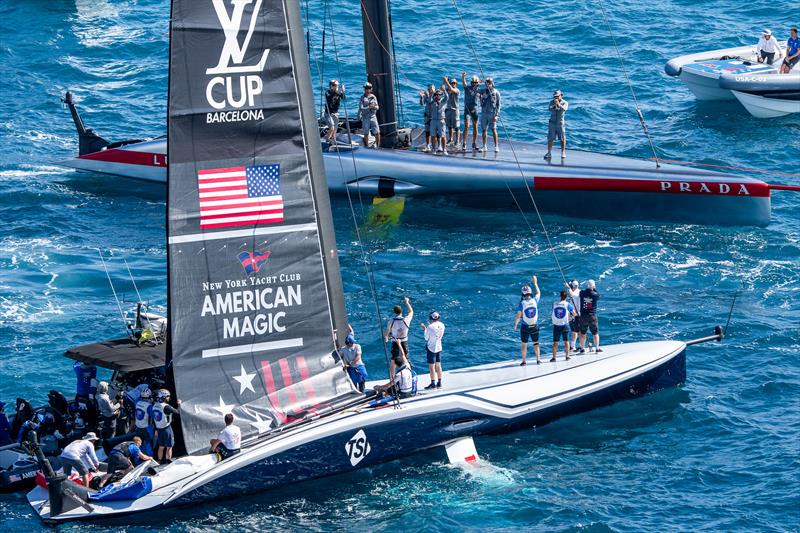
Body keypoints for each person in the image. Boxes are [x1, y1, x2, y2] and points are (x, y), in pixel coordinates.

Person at [513, 276, 541, 365]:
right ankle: (538, 360)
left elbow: (518, 316)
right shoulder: (535, 300)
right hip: (535, 326)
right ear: (530, 292)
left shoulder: (522, 303)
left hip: (525, 327)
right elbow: (538, 293)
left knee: (524, 344)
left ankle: (524, 361)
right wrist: (535, 283)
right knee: (536, 343)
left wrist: (515, 325)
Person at [152, 389, 181, 463]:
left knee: (161, 446)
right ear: (164, 397)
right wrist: (179, 404)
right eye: (168, 396)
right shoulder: (166, 407)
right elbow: (177, 412)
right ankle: (168, 461)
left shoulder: (155, 405)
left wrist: (156, 429)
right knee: (169, 446)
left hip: (159, 429)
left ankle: (159, 461)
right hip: (166, 429)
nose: (169, 398)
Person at [384, 296, 414, 365]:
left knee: (393, 360)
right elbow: (411, 311)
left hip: (395, 341)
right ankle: (409, 373)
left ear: (394, 312)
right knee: (406, 358)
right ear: (401, 312)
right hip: (404, 341)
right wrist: (407, 302)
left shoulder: (391, 321)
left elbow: (387, 333)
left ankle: (392, 375)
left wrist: (386, 339)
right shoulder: (406, 320)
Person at [421, 311, 446, 389]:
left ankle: (433, 383)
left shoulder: (430, 327)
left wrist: (425, 328)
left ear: (431, 318)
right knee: (438, 364)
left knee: (432, 366)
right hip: (439, 346)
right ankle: (439, 383)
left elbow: (426, 338)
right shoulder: (442, 325)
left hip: (431, 348)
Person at [551, 290, 577, 362]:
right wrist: (571, 317)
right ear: (566, 297)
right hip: (565, 325)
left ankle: (554, 357)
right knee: (566, 341)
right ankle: (567, 356)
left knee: (555, 342)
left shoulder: (554, 304)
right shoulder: (567, 304)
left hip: (556, 325)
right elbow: (574, 313)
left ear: (560, 296)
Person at [545, 90, 569, 161]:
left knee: (562, 138)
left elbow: (564, 109)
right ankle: (549, 152)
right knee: (550, 138)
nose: (556, 98)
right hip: (552, 123)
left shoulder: (565, 102)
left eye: (557, 96)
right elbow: (549, 109)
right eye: (555, 96)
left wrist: (559, 104)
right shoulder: (551, 102)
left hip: (560, 123)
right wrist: (554, 105)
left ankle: (563, 152)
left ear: (561, 95)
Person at [478, 77, 501, 153]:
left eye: (489, 83)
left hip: (492, 114)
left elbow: (498, 105)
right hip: (484, 113)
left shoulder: (496, 92)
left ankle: (496, 146)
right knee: (484, 130)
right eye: (487, 83)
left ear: (492, 84)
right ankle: (484, 146)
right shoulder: (483, 91)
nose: (488, 84)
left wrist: (497, 115)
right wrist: (478, 83)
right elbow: (474, 91)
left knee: (494, 129)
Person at [578, 280, 601, 353]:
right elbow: (598, 294)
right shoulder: (595, 295)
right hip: (592, 316)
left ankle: (582, 348)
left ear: (587, 285)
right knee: (595, 333)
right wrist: (594, 288)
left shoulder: (582, 293)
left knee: (583, 333)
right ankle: (597, 348)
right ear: (593, 286)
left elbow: (581, 292)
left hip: (583, 316)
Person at [461, 72, 481, 151]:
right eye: (473, 82)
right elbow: (464, 83)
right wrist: (463, 77)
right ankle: (464, 143)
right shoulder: (467, 88)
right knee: (467, 126)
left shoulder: (479, 90)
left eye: (476, 83)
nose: (474, 84)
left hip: (475, 110)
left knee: (475, 127)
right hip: (467, 110)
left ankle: (474, 143)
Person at [359, 82, 381, 148]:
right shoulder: (362, 98)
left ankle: (378, 146)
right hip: (365, 117)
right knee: (366, 133)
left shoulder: (373, 97)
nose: (368, 90)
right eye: (366, 88)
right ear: (364, 89)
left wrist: (374, 107)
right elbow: (361, 108)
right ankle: (367, 146)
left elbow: (378, 107)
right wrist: (368, 107)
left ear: (371, 89)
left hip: (373, 116)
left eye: (369, 88)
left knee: (377, 132)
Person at [324, 79, 346, 146]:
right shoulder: (327, 92)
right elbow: (330, 97)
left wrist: (343, 92)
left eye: (335, 85)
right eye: (333, 85)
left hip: (336, 113)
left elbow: (344, 98)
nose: (334, 86)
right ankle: (327, 140)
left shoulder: (338, 93)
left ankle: (333, 139)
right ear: (330, 85)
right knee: (331, 127)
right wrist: (339, 91)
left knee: (335, 128)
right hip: (328, 113)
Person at [133, 387, 154, 452]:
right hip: (146, 427)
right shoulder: (149, 406)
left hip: (138, 426)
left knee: (138, 442)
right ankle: (149, 456)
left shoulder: (137, 403)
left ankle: (138, 455)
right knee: (148, 441)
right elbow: (154, 416)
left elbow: (138, 399)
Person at [429, 89, 449, 154]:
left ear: (441, 95)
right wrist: (432, 93)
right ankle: (434, 149)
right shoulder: (432, 101)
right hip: (433, 120)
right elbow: (429, 100)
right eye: (436, 94)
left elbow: (447, 97)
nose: (438, 96)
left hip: (441, 120)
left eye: (439, 94)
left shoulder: (443, 101)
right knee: (433, 135)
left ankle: (444, 149)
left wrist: (444, 90)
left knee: (443, 136)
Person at [443, 76, 461, 147]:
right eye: (452, 83)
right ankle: (450, 140)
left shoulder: (457, 90)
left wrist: (447, 82)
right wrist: (444, 82)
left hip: (455, 110)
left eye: (454, 83)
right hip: (448, 110)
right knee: (449, 126)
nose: (453, 84)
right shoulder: (448, 90)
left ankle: (457, 141)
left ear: (456, 84)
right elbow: (442, 89)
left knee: (456, 127)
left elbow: (451, 89)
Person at [419, 84, 435, 152]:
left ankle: (434, 145)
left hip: (433, 117)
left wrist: (428, 95)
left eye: (431, 88)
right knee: (427, 131)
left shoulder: (436, 95)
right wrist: (421, 97)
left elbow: (431, 101)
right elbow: (422, 103)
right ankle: (428, 145)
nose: (430, 90)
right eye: (429, 89)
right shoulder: (427, 95)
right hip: (427, 116)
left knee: (433, 132)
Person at [565, 280, 581, 351]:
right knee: (574, 330)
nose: (571, 287)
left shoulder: (577, 293)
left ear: (574, 286)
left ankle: (576, 346)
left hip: (576, 314)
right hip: (573, 313)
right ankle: (573, 346)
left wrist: (568, 288)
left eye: (571, 286)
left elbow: (573, 295)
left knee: (576, 331)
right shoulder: (575, 291)